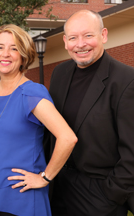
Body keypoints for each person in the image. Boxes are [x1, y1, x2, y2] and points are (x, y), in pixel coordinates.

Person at [0, 24, 77, 216]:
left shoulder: (32, 93)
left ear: (24, 56)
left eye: (14, 48)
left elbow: (67, 138)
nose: (5, 54)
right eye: (0, 47)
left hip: (18, 202)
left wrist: (44, 178)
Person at [47, 10, 134, 216]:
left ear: (103, 35)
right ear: (65, 41)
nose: (80, 44)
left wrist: (111, 194)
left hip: (99, 196)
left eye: (88, 35)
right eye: (73, 38)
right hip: (57, 189)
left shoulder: (127, 80)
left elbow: (132, 153)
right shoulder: (59, 74)